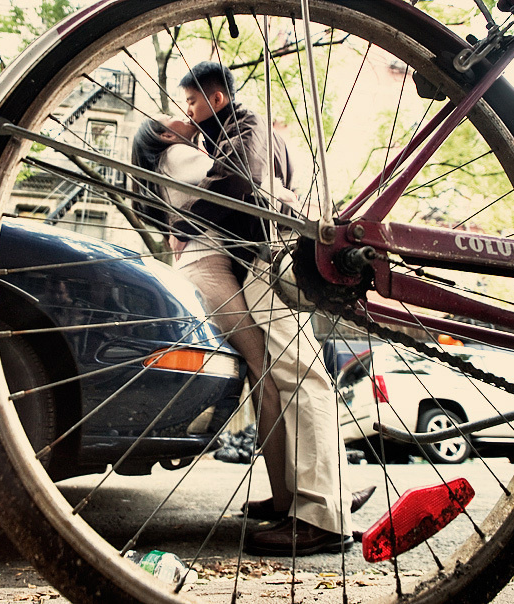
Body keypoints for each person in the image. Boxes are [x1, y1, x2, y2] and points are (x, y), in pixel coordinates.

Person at [130, 63, 373, 556]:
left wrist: (188, 225)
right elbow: (242, 190)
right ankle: (311, 500)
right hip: (255, 254)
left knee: (295, 374)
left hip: (271, 249)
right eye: (176, 111)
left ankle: (322, 511)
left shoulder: (244, 127)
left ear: (214, 98)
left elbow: (247, 190)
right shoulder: (201, 147)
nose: (186, 113)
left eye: (191, 103)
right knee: (285, 374)